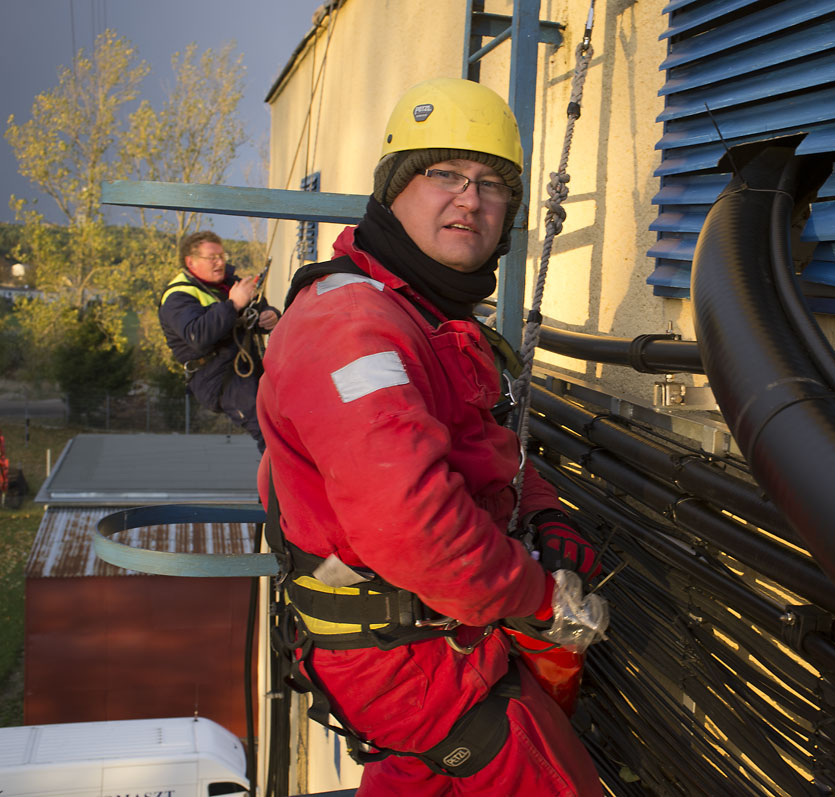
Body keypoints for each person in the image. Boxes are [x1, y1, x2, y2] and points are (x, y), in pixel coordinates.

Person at [256, 78, 606, 795]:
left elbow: (486, 445)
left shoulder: (425, 315)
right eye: (443, 174)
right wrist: (541, 597)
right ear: (393, 192)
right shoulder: (354, 329)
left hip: (432, 633)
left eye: (491, 184)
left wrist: (546, 516)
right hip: (410, 661)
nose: (470, 200)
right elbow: (414, 526)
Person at [159, 231, 279, 452]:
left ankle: (288, 471)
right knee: (269, 430)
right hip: (216, 375)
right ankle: (280, 474)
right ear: (191, 262)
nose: (220, 262)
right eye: (212, 258)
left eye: (222, 256)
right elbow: (198, 336)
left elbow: (256, 310)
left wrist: (270, 315)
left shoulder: (230, 283)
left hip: (245, 365)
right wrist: (233, 305)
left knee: (283, 419)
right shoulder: (178, 297)